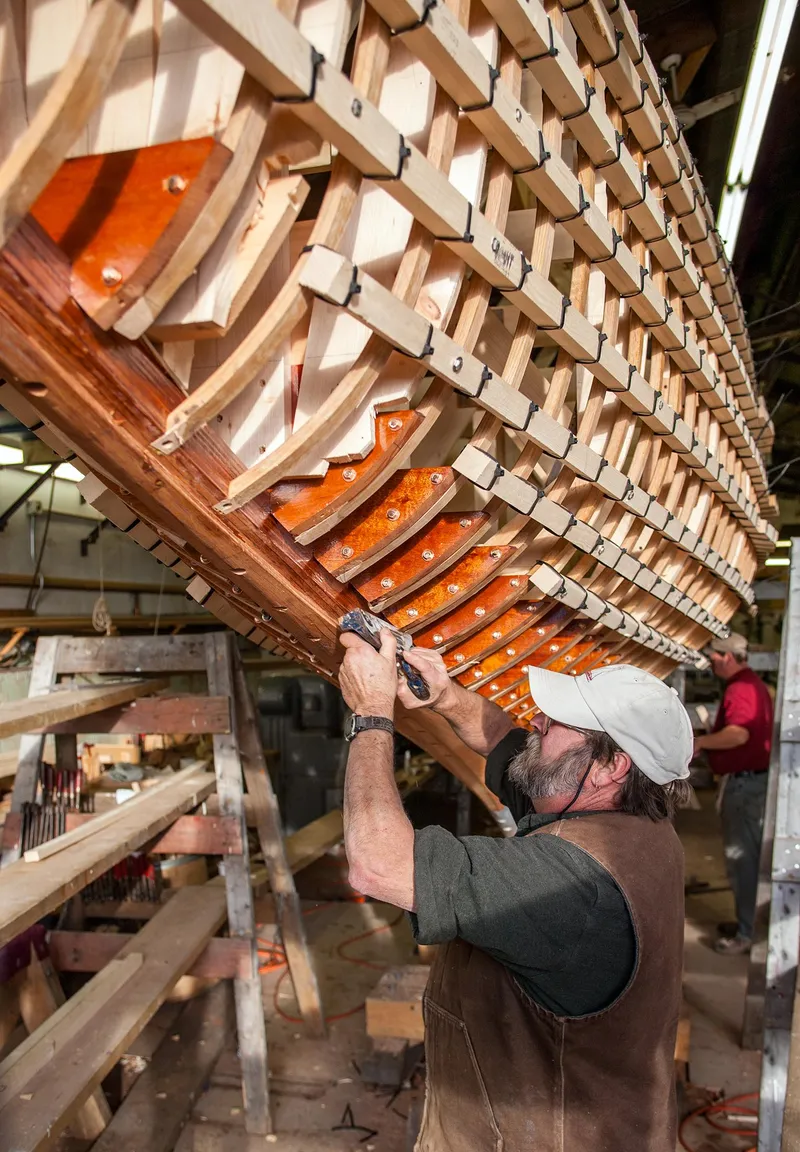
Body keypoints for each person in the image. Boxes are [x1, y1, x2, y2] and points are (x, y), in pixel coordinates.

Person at [339, 627, 693, 1152]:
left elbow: (378, 864)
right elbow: (510, 742)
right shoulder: (633, 823)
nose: (538, 720)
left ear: (609, 766)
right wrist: (444, 697)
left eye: (557, 722)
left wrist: (371, 715)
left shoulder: (569, 885)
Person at [693, 633, 774, 955]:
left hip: (744, 785)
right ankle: (750, 924)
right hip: (751, 782)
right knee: (750, 858)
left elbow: (738, 734)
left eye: (713, 656)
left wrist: (699, 743)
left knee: (743, 859)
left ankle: (746, 934)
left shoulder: (741, 688)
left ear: (727, 656)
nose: (711, 661)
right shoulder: (754, 684)